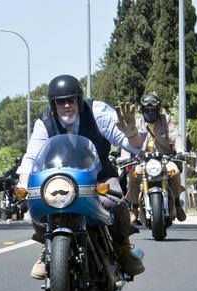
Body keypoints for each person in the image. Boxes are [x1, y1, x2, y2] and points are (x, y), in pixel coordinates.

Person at [15, 74, 144, 280]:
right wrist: (23, 181)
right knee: (35, 199)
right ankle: (47, 249)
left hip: (99, 176)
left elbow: (134, 146)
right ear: (53, 104)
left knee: (114, 201)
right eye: (61, 102)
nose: (67, 105)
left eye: (71, 100)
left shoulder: (98, 112)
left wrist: (131, 134)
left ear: (79, 100)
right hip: (59, 180)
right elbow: (32, 155)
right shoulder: (45, 122)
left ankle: (123, 249)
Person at [125, 93, 187, 222]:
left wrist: (180, 150)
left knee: (174, 172)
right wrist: (125, 156)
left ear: (157, 109)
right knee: (133, 175)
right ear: (143, 110)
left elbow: (176, 136)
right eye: (147, 109)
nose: (150, 112)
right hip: (142, 160)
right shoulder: (136, 123)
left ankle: (176, 203)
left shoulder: (166, 120)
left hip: (164, 159)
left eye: (153, 109)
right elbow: (127, 141)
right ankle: (134, 208)